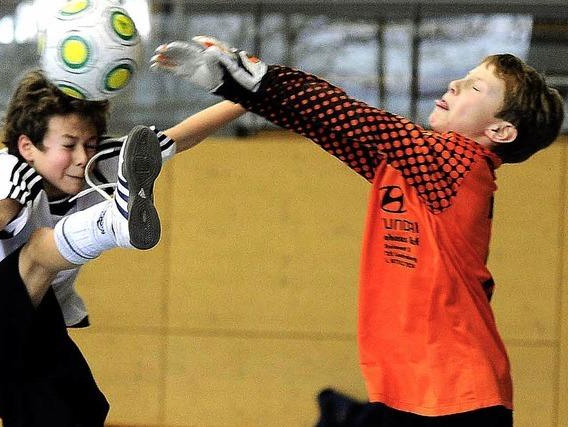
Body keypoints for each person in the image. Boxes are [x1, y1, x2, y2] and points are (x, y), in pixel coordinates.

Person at [150, 36, 565, 426]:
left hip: (456, 393)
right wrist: (241, 89)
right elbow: (328, 125)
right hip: (411, 392)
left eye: (476, 88)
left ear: (500, 132)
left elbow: (360, 120)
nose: (456, 83)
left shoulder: (460, 162)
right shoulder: (417, 169)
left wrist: (261, 78)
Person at [0, 69, 245, 426]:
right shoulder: (13, 166)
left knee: (80, 410)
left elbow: (182, 137)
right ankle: (114, 223)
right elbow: (2, 214)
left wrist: (253, 98)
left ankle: (115, 219)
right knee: (38, 249)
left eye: (90, 143)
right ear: (28, 147)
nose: (82, 157)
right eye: (68, 145)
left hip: (36, 323)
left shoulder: (98, 163)